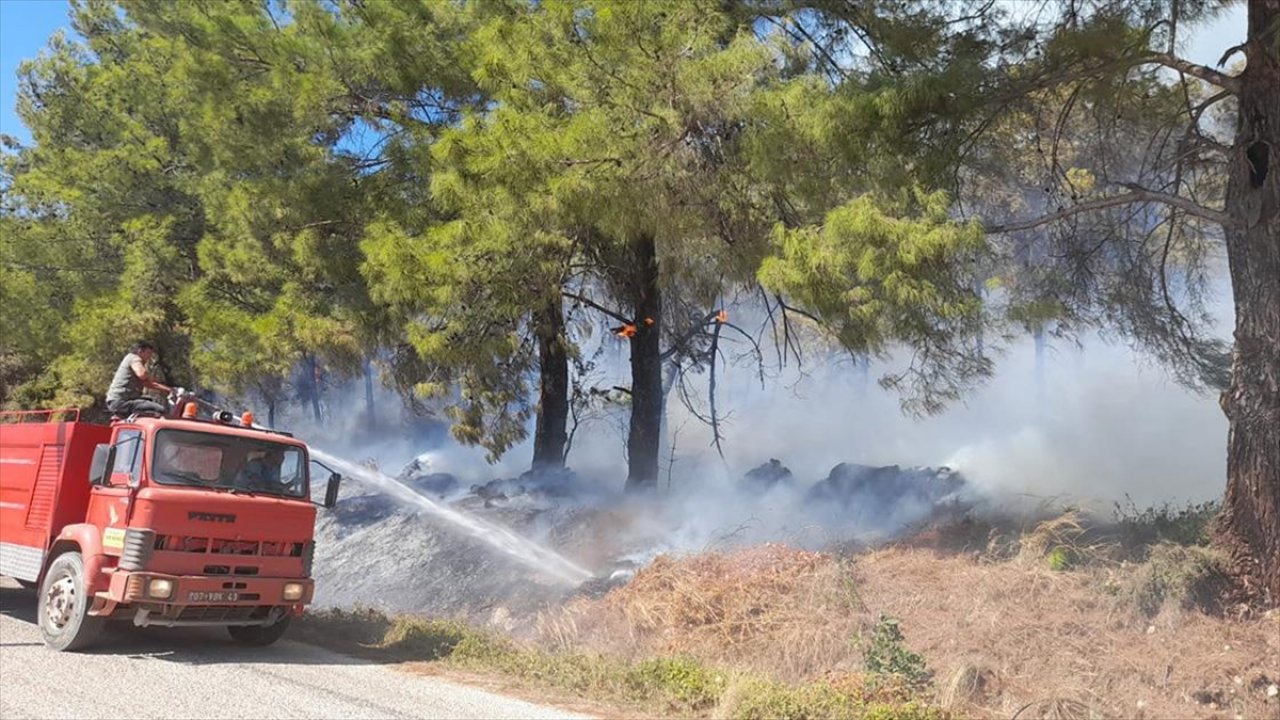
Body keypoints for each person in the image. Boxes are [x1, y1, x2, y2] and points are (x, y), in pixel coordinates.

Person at [105, 342, 172, 417]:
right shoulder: (134, 358)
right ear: (140, 351)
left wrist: (169, 390)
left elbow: (148, 383)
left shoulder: (130, 359)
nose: (149, 357)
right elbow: (142, 374)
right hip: (121, 402)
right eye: (148, 353)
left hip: (116, 401)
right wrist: (170, 390)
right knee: (160, 409)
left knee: (150, 401)